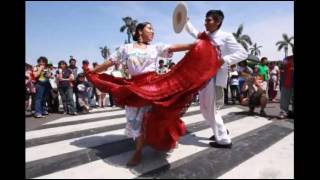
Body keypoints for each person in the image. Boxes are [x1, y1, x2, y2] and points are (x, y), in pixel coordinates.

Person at [88, 22, 197, 166]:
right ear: (140, 31)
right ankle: (138, 151)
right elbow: (110, 62)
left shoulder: (155, 48)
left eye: (153, 29)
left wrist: (195, 45)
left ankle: (150, 145)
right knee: (135, 121)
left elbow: (172, 47)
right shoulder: (126, 48)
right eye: (150, 28)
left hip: (154, 87)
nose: (153, 32)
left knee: (158, 116)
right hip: (135, 88)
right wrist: (93, 72)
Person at [185, 10, 248, 148]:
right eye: (205, 20)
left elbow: (243, 53)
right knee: (204, 108)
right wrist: (185, 21)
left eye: (209, 20)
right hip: (203, 76)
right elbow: (193, 32)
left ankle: (224, 139)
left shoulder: (226, 36)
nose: (205, 22)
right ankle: (221, 130)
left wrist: (223, 60)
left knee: (211, 109)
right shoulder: (205, 36)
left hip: (215, 75)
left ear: (218, 22)